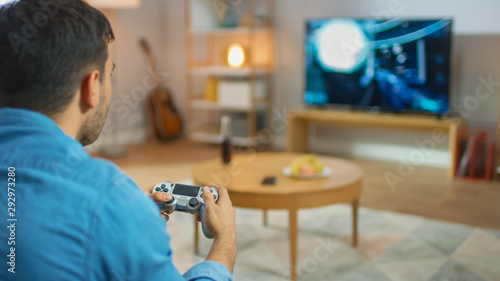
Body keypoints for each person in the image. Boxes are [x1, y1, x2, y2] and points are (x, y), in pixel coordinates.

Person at [0, 0, 237, 280]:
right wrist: (225, 243)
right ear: (91, 86)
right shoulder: (107, 197)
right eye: (109, 74)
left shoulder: (111, 204)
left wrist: (121, 219)